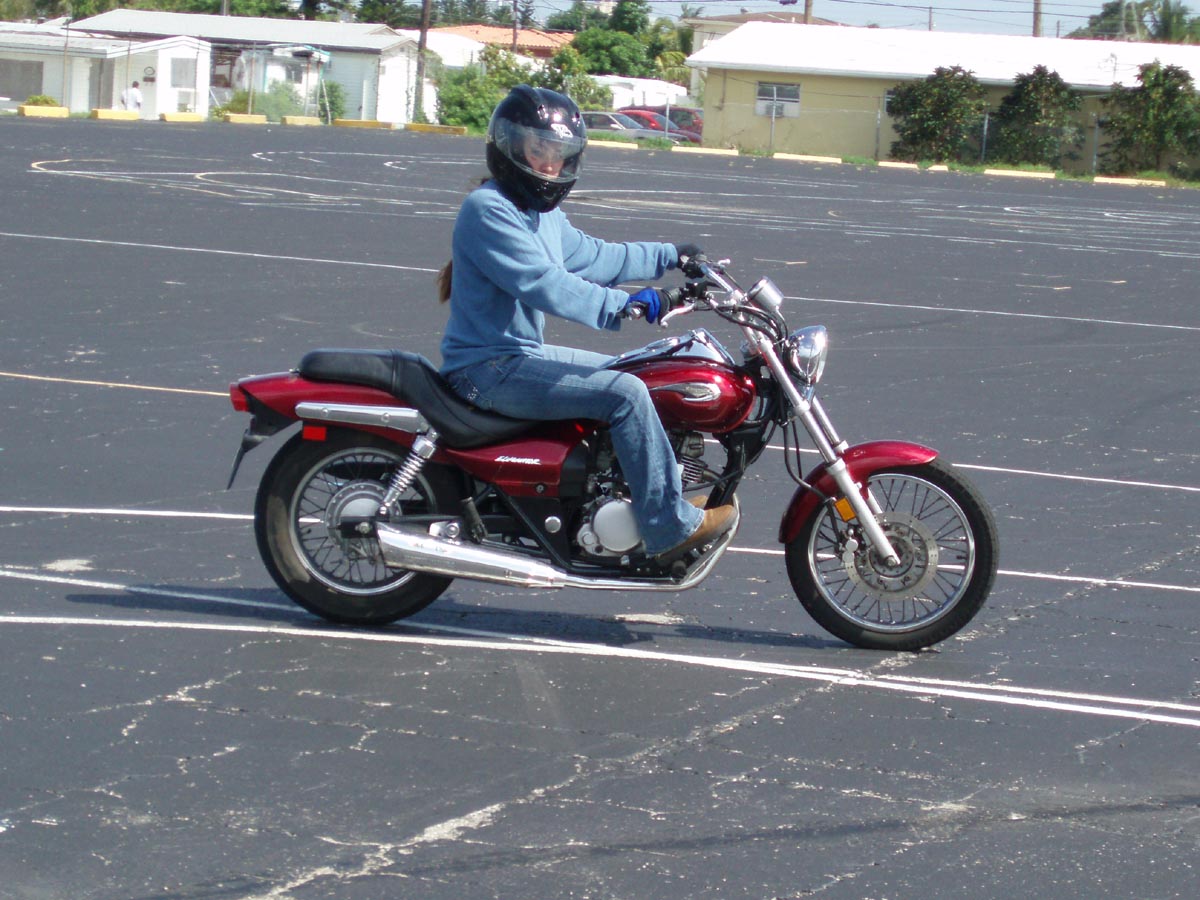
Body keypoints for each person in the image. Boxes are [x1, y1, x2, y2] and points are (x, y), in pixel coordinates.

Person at [438, 85, 736, 563]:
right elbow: (545, 283)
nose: (549, 164)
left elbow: (596, 256)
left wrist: (671, 255)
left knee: (635, 372)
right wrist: (627, 304)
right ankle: (668, 526)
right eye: (538, 150)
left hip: (516, 357)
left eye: (558, 153)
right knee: (626, 394)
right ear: (510, 147)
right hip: (486, 370)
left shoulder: (539, 214)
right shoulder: (488, 209)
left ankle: (632, 497)